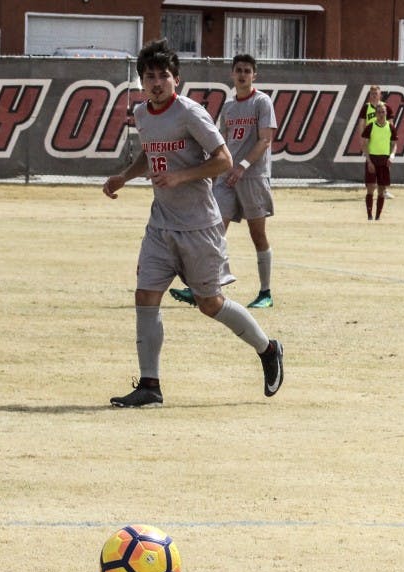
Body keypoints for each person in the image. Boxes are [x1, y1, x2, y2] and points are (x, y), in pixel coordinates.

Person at [102, 39, 284, 407]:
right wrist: (125, 176)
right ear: (141, 82)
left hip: (199, 225)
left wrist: (182, 177)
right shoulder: (142, 115)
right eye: (149, 76)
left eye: (163, 76)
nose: (156, 83)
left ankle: (267, 348)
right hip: (161, 225)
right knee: (145, 296)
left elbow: (223, 160)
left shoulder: (190, 113)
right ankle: (150, 386)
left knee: (210, 303)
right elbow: (151, 157)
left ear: (176, 80)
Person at [170, 53, 278, 310]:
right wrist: (215, 171)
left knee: (257, 234)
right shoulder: (229, 107)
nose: (242, 75)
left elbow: (265, 140)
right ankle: (202, 290)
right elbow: (224, 143)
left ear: (254, 75)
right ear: (232, 73)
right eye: (238, 70)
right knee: (213, 230)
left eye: (247, 71)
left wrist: (242, 166)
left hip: (252, 176)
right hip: (228, 177)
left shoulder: (262, 102)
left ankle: (266, 292)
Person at [356, 84, 396, 200]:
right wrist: (361, 139)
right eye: (371, 94)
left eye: (376, 94)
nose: (373, 96)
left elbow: (391, 125)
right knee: (370, 165)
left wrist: (391, 140)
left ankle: (384, 190)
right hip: (370, 141)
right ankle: (370, 189)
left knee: (385, 165)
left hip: (383, 140)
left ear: (380, 95)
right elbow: (361, 124)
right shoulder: (366, 108)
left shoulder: (386, 108)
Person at [361, 102, 398, 220]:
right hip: (372, 159)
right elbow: (364, 144)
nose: (381, 114)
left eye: (383, 112)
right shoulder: (370, 126)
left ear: (386, 113)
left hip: (384, 160)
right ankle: (369, 216)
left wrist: (392, 155)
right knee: (371, 187)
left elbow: (394, 144)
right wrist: (369, 161)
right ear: (375, 114)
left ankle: (378, 217)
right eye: (379, 112)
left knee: (382, 189)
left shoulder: (390, 127)